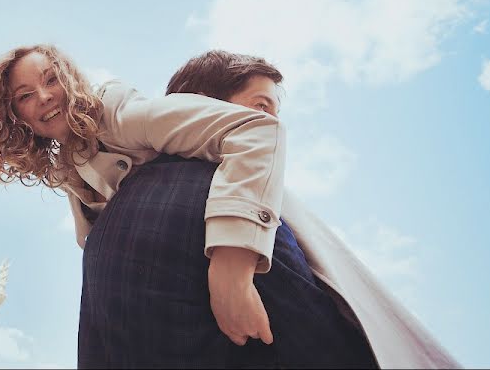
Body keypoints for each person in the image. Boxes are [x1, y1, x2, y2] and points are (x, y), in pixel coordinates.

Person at [79, 50, 460, 369]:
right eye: (261, 107)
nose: (272, 123)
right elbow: (317, 342)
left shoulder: (109, 226)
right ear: (198, 105)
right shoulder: (228, 202)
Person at [0, 44, 287, 352]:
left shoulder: (117, 112)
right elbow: (92, 240)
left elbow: (256, 130)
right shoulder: (67, 167)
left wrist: (232, 268)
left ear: (71, 80)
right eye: (25, 96)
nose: (43, 96)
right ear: (17, 118)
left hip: (222, 259)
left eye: (51, 80)